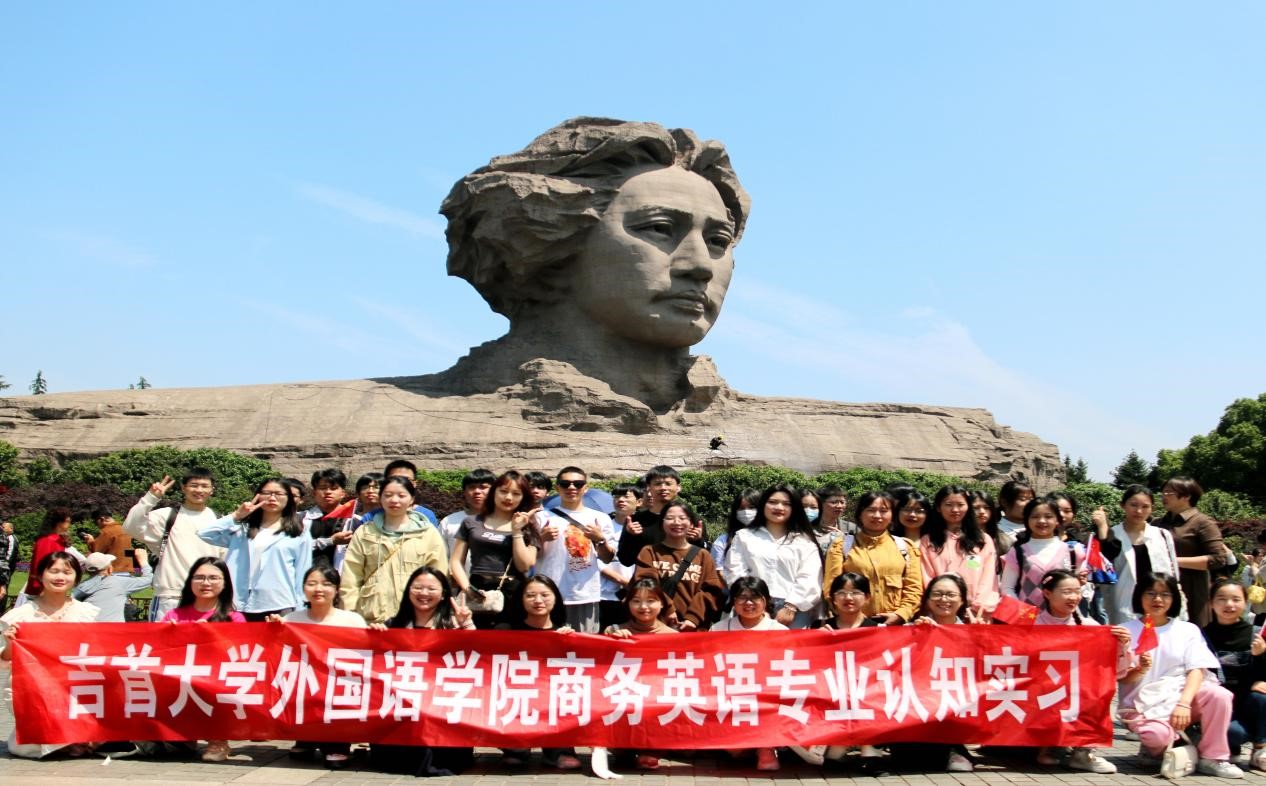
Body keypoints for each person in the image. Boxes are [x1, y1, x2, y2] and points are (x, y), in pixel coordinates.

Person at [436, 118, 750, 413]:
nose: (700, 266)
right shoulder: (417, 420)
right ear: (549, 241)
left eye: (717, 241)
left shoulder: (779, 431)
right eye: (659, 228)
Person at [1119, 572, 1243, 778]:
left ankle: (1213, 757)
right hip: (1141, 706)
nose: (1158, 599)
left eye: (1165, 594)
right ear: (1139, 595)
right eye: (1150, 593)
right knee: (1155, 737)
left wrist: (1184, 704)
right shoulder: (1124, 631)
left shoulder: (1187, 630)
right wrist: (1139, 669)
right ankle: (1165, 745)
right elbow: (1118, 678)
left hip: (1181, 699)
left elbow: (1197, 669)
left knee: (1219, 695)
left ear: (1174, 598)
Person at [368, 566, 475, 777]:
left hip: (441, 703)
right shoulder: (394, 625)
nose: (424, 593)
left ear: (443, 594)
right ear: (409, 591)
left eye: (431, 589)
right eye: (417, 587)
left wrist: (467, 626)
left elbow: (477, 658)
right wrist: (376, 636)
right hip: (404, 703)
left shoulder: (453, 624)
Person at [1, 551, 100, 759]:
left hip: (73, 683)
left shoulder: (87, 613)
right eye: (53, 571)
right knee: (30, 743)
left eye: (67, 572)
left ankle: (73, 737)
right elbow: (6, 660)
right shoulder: (22, 615)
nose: (60, 577)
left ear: (76, 578)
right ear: (40, 575)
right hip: (34, 686)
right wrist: (10, 643)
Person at [1031, 569, 1129, 773]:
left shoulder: (1090, 626)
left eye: (1077, 591)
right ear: (1047, 593)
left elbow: (1113, 670)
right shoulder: (1030, 624)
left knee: (1096, 692)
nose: (1074, 597)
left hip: (1077, 693)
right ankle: (1049, 746)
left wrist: (1121, 645)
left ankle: (1083, 752)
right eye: (1067, 591)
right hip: (1039, 692)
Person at [269, 565, 366, 769]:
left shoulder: (352, 620)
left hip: (338, 685)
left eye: (326, 584)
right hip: (305, 684)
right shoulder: (291, 619)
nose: (318, 589)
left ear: (337, 589)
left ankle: (338, 744)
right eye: (311, 584)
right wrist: (272, 629)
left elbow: (366, 655)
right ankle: (305, 738)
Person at [160, 557, 244, 762]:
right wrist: (168, 635)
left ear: (225, 583)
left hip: (216, 679)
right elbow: (158, 651)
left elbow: (240, 656)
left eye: (213, 578)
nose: (206, 583)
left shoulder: (234, 618)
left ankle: (218, 739)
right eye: (199, 577)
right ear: (190, 582)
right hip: (178, 678)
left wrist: (212, 637)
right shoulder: (173, 615)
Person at [198, 478, 312, 621]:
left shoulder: (298, 532)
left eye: (279, 494)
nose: (272, 498)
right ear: (258, 496)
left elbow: (303, 572)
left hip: (277, 603)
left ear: (288, 498)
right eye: (267, 493)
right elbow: (205, 533)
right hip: (236, 601)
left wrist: (301, 609)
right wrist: (237, 515)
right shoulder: (241, 528)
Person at [598, 577, 679, 774]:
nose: (644, 607)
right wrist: (612, 642)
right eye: (636, 601)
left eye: (651, 601)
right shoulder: (614, 630)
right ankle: (622, 748)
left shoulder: (674, 637)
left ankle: (652, 748)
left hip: (656, 700)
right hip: (624, 698)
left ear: (662, 604)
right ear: (628, 604)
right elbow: (599, 670)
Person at [497, 575, 578, 770]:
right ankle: (516, 749)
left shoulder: (565, 634)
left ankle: (558, 751)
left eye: (545, 595)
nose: (538, 600)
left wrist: (570, 643)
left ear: (556, 598)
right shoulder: (505, 631)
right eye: (531, 595)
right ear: (521, 599)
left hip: (552, 697)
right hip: (517, 694)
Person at [341, 475, 447, 624]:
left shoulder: (428, 533)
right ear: (380, 498)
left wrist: (434, 618)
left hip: (415, 618)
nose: (394, 500)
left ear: (412, 499)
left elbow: (439, 576)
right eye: (388, 495)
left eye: (401, 495)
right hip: (372, 618)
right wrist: (350, 617)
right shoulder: (365, 532)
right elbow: (351, 577)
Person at [123, 469, 223, 620]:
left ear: (211, 490)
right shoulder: (167, 516)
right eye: (194, 485)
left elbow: (224, 561)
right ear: (183, 488)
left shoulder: (219, 521)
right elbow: (131, 526)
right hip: (170, 597)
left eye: (204, 486)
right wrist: (151, 498)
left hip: (207, 598)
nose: (199, 490)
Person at [449, 471, 540, 629]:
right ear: (494, 492)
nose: (508, 498)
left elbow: (524, 566)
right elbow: (456, 561)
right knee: (473, 636)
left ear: (523, 497)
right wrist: (467, 588)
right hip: (477, 588)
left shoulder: (529, 526)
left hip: (512, 591)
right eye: (503, 491)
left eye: (516, 493)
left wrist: (517, 531)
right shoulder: (471, 522)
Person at [725, 484, 823, 628]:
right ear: (763, 505)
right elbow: (735, 572)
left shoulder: (804, 542)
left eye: (786, 504)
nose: (779, 507)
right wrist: (755, 603)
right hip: (750, 607)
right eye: (772, 502)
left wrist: (791, 606)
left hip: (793, 612)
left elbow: (810, 577)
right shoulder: (744, 537)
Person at [534, 467, 616, 632]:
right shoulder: (541, 517)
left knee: (585, 644)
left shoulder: (601, 518)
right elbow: (530, 558)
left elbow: (607, 558)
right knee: (548, 644)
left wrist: (599, 539)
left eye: (577, 484)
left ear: (585, 488)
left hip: (585, 594)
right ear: (557, 488)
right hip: (548, 594)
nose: (571, 487)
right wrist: (542, 539)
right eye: (565, 484)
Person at [822, 491, 923, 625]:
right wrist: (856, 618)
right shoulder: (841, 545)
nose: (877, 515)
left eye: (883, 511)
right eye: (871, 510)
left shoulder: (905, 547)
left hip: (895, 626)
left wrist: (901, 614)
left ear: (892, 515)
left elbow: (914, 588)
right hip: (853, 624)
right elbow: (831, 586)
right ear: (860, 514)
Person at [1201, 579, 1266, 771]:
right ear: (1211, 603)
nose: (1229, 604)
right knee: (1232, 733)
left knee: (1262, 696)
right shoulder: (1201, 636)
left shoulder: (1256, 635)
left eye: (1236, 599)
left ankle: (1260, 748)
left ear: (1245, 603)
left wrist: (1261, 656)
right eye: (1222, 599)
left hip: (1248, 705)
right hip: (1219, 706)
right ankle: (1231, 747)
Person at [1094, 484, 1180, 625]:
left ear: (1152, 508)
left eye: (1145, 506)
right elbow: (1102, 570)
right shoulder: (1112, 535)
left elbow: (1174, 573)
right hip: (1124, 604)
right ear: (1123, 505)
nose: (1139, 511)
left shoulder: (1162, 535)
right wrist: (1102, 528)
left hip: (1159, 603)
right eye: (1133, 505)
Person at [634, 501, 724, 631]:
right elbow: (646, 584)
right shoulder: (649, 552)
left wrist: (693, 618)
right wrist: (668, 609)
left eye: (682, 518)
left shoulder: (703, 555)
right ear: (662, 523)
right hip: (655, 627)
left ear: (691, 523)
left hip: (693, 629)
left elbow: (711, 591)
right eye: (670, 518)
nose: (676, 522)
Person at [1156, 476, 1228, 626]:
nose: (1164, 496)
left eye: (1169, 493)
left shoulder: (1203, 522)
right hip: (1159, 593)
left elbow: (1218, 559)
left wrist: (1173, 561)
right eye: (1163, 492)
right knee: (1155, 632)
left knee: (1191, 634)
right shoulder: (1156, 523)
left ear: (1187, 496)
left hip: (1192, 593)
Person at [919, 486, 998, 619]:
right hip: (941, 610)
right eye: (948, 505)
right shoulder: (928, 541)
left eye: (960, 505)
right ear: (938, 507)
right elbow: (927, 577)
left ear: (968, 507)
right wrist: (940, 603)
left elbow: (988, 577)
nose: (955, 510)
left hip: (976, 613)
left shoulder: (982, 540)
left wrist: (978, 606)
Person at [1000, 497, 1086, 607]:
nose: (1041, 521)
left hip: (1063, 616)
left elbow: (1080, 588)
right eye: (1035, 516)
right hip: (1028, 616)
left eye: (1048, 516)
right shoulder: (1017, 552)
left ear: (1057, 520)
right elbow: (1007, 588)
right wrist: (1022, 612)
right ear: (1027, 520)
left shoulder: (1073, 551)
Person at [618, 465, 685, 565]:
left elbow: (702, 558)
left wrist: (698, 540)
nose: (663, 488)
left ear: (678, 487)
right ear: (649, 487)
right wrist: (630, 536)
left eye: (668, 484)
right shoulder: (635, 521)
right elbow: (626, 561)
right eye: (658, 484)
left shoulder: (690, 519)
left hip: (683, 574)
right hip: (648, 574)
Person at [20, 508, 85, 603]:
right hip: (42, 591)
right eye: (68, 521)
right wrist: (42, 589)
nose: (69, 524)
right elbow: (39, 567)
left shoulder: (58, 540)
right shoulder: (47, 541)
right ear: (59, 522)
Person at [599, 483, 639, 630]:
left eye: (626, 496)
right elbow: (595, 560)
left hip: (635, 595)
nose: (620, 500)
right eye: (616, 496)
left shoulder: (643, 528)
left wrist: (633, 585)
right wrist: (622, 581)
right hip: (605, 595)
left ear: (639, 502)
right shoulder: (603, 526)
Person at [73, 550, 153, 622]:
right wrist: (143, 561)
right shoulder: (118, 582)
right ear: (109, 569)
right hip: (113, 631)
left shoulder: (82, 586)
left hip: (89, 630)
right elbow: (148, 579)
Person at [437, 469, 495, 562]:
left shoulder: (506, 521)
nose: (477, 491)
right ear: (464, 492)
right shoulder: (449, 522)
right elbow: (440, 559)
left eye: (483, 487)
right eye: (472, 487)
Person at [711, 488, 761, 584]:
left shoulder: (770, 538)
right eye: (741, 508)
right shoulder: (722, 541)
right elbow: (719, 571)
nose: (746, 512)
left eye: (751, 507)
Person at [304, 468, 351, 568]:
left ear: (343, 493)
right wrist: (330, 541)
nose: (328, 492)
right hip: (306, 574)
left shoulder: (352, 520)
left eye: (333, 488)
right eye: (322, 488)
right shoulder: (301, 518)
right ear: (314, 493)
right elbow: (294, 546)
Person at [817, 572, 882, 630]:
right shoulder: (820, 626)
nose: (848, 598)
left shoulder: (877, 629)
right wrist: (819, 636)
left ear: (867, 597)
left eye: (855, 592)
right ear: (833, 598)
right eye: (841, 593)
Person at [995, 480, 1036, 557]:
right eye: (1022, 499)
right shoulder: (995, 531)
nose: (1029, 504)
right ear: (1004, 502)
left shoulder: (1038, 527)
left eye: (1031, 499)